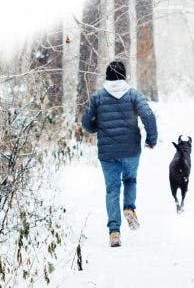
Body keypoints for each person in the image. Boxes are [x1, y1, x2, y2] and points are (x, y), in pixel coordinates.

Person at [81, 60, 158, 248]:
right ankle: (129, 208)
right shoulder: (133, 95)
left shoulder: (98, 97)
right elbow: (148, 115)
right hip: (131, 150)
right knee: (130, 180)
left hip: (108, 153)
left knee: (112, 189)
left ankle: (114, 232)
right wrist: (151, 139)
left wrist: (95, 126)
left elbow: (86, 122)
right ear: (124, 76)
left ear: (107, 76)